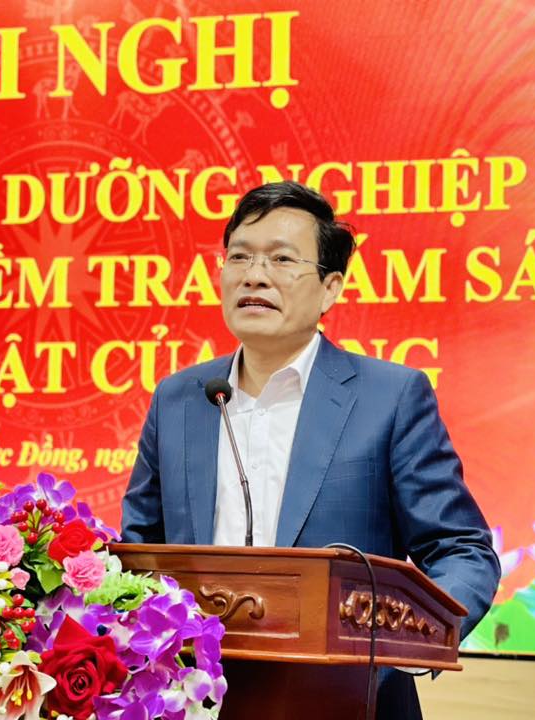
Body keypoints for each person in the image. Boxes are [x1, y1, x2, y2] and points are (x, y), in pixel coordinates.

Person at [120, 180, 500, 720]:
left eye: (281, 259)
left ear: (330, 289)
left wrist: (408, 644)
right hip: (199, 700)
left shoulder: (390, 397)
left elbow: (461, 550)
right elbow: (140, 549)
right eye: (240, 257)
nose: (254, 275)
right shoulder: (180, 399)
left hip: (351, 700)